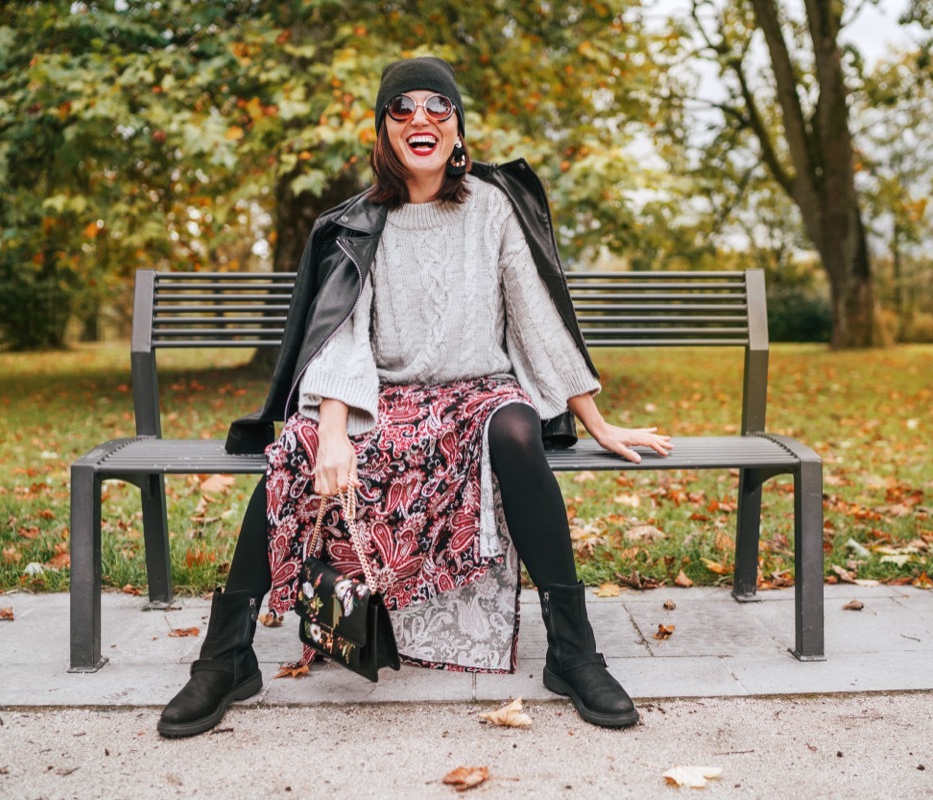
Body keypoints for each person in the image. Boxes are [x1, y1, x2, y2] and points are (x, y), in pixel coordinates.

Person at [157, 56, 671, 738]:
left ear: (458, 130)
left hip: (478, 395)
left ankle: (573, 652)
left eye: (438, 107)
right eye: (402, 107)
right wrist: (333, 431)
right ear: (384, 131)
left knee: (516, 429)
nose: (421, 117)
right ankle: (225, 657)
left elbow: (537, 318)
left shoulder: (493, 207)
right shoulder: (362, 222)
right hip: (388, 397)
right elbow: (343, 336)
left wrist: (597, 421)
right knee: (296, 448)